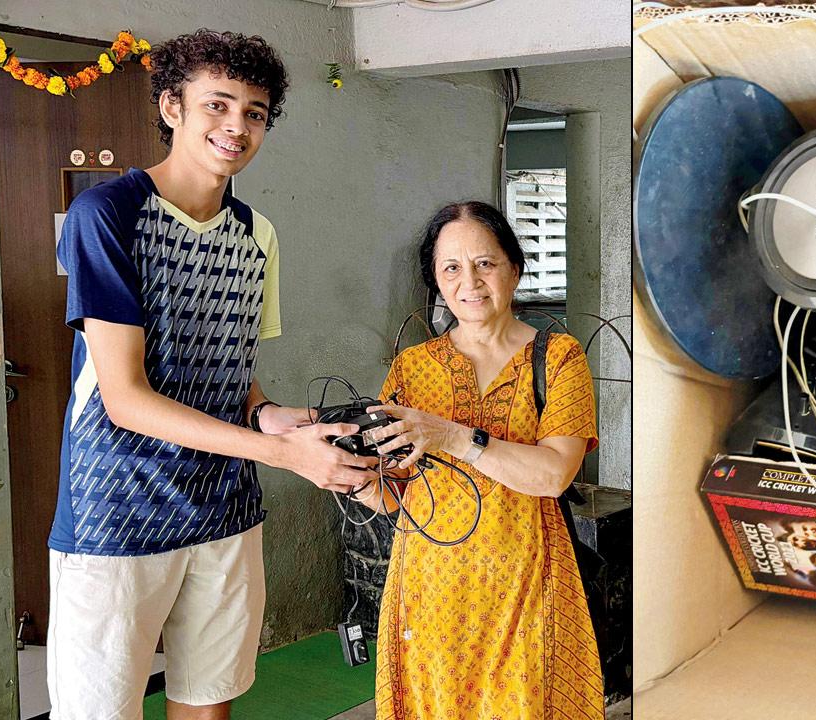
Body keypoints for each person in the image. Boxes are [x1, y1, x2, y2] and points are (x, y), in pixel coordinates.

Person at [50, 30, 375, 720]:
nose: (236, 127)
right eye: (217, 106)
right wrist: (285, 455)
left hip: (223, 510)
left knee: (207, 704)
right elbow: (127, 399)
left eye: (254, 113)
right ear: (173, 107)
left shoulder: (257, 234)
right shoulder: (106, 216)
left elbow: (231, 374)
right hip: (115, 514)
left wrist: (272, 417)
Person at [355, 201, 603, 719]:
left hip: (527, 581)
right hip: (429, 592)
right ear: (437, 282)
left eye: (485, 263)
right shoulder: (411, 368)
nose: (469, 281)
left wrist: (454, 436)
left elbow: (553, 474)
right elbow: (396, 497)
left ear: (514, 267)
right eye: (451, 268)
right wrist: (348, 477)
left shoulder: (558, 357)